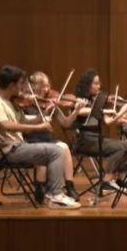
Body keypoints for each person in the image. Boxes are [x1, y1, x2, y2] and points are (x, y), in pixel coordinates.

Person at [0, 65, 81, 209]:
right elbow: (5, 126)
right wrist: (37, 127)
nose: (22, 87)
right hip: (9, 150)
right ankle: (55, 195)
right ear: (12, 85)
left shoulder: (11, 102)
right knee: (56, 151)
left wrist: (42, 116)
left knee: (58, 150)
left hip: (19, 147)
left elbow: (24, 121)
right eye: (20, 84)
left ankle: (52, 192)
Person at [22, 71, 83, 201]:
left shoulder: (49, 103)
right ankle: (41, 187)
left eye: (48, 85)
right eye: (43, 86)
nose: (48, 89)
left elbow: (66, 123)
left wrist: (76, 111)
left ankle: (69, 186)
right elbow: (24, 123)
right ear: (35, 87)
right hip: (32, 140)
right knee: (46, 152)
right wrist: (44, 113)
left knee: (65, 147)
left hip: (47, 139)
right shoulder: (25, 104)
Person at [72, 68, 127, 194]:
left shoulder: (98, 102)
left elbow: (108, 122)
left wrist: (121, 115)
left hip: (96, 138)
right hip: (85, 140)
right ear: (87, 85)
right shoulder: (79, 101)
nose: (99, 86)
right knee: (121, 148)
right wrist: (101, 110)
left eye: (99, 83)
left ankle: (118, 178)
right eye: (95, 83)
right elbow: (80, 112)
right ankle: (107, 180)